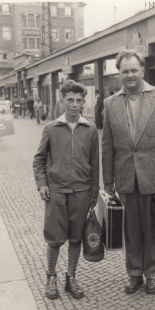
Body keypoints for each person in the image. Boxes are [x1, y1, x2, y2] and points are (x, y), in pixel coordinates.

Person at [102, 49, 155, 295]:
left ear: (142, 70)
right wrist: (108, 181)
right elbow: (107, 145)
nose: (129, 75)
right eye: (124, 71)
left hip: (154, 177)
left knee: (152, 229)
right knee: (130, 230)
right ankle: (134, 274)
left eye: (133, 70)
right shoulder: (110, 103)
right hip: (126, 178)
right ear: (119, 74)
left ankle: (153, 275)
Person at [33, 80, 99, 300]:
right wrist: (42, 184)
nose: (74, 105)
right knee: (54, 238)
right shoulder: (51, 128)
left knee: (76, 239)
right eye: (70, 100)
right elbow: (39, 159)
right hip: (56, 192)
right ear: (62, 101)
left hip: (81, 192)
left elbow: (95, 163)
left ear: (83, 103)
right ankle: (51, 277)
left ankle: (70, 277)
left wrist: (93, 192)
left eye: (79, 101)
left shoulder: (90, 129)